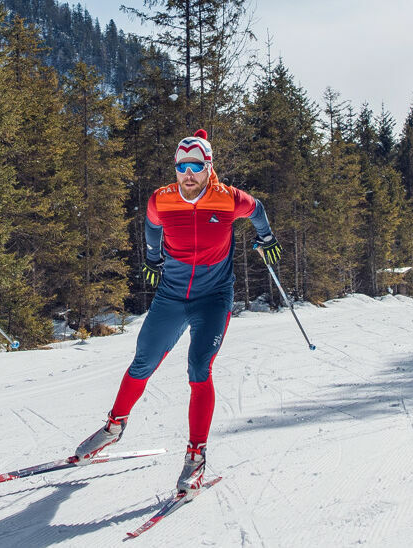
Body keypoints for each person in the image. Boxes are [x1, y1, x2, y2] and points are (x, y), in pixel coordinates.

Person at [73, 129, 280, 494]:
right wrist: (153, 256)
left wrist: (265, 238)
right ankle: (114, 427)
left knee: (199, 368)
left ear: (208, 167)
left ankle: (196, 453)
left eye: (195, 166)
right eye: (181, 166)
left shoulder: (228, 199)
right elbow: (151, 225)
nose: (187, 173)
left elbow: (258, 209)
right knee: (142, 361)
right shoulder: (162, 199)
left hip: (213, 298)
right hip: (171, 296)